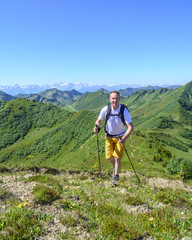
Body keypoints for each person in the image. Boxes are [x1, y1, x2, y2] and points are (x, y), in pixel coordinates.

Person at [93, 91, 133, 186]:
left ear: (119, 99)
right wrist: (96, 126)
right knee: (109, 158)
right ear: (110, 99)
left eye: (116, 98)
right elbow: (99, 120)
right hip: (109, 137)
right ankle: (116, 168)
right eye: (113, 98)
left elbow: (130, 127)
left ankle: (116, 178)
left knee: (117, 158)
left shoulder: (124, 110)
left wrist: (124, 138)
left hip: (120, 137)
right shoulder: (106, 109)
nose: (115, 100)